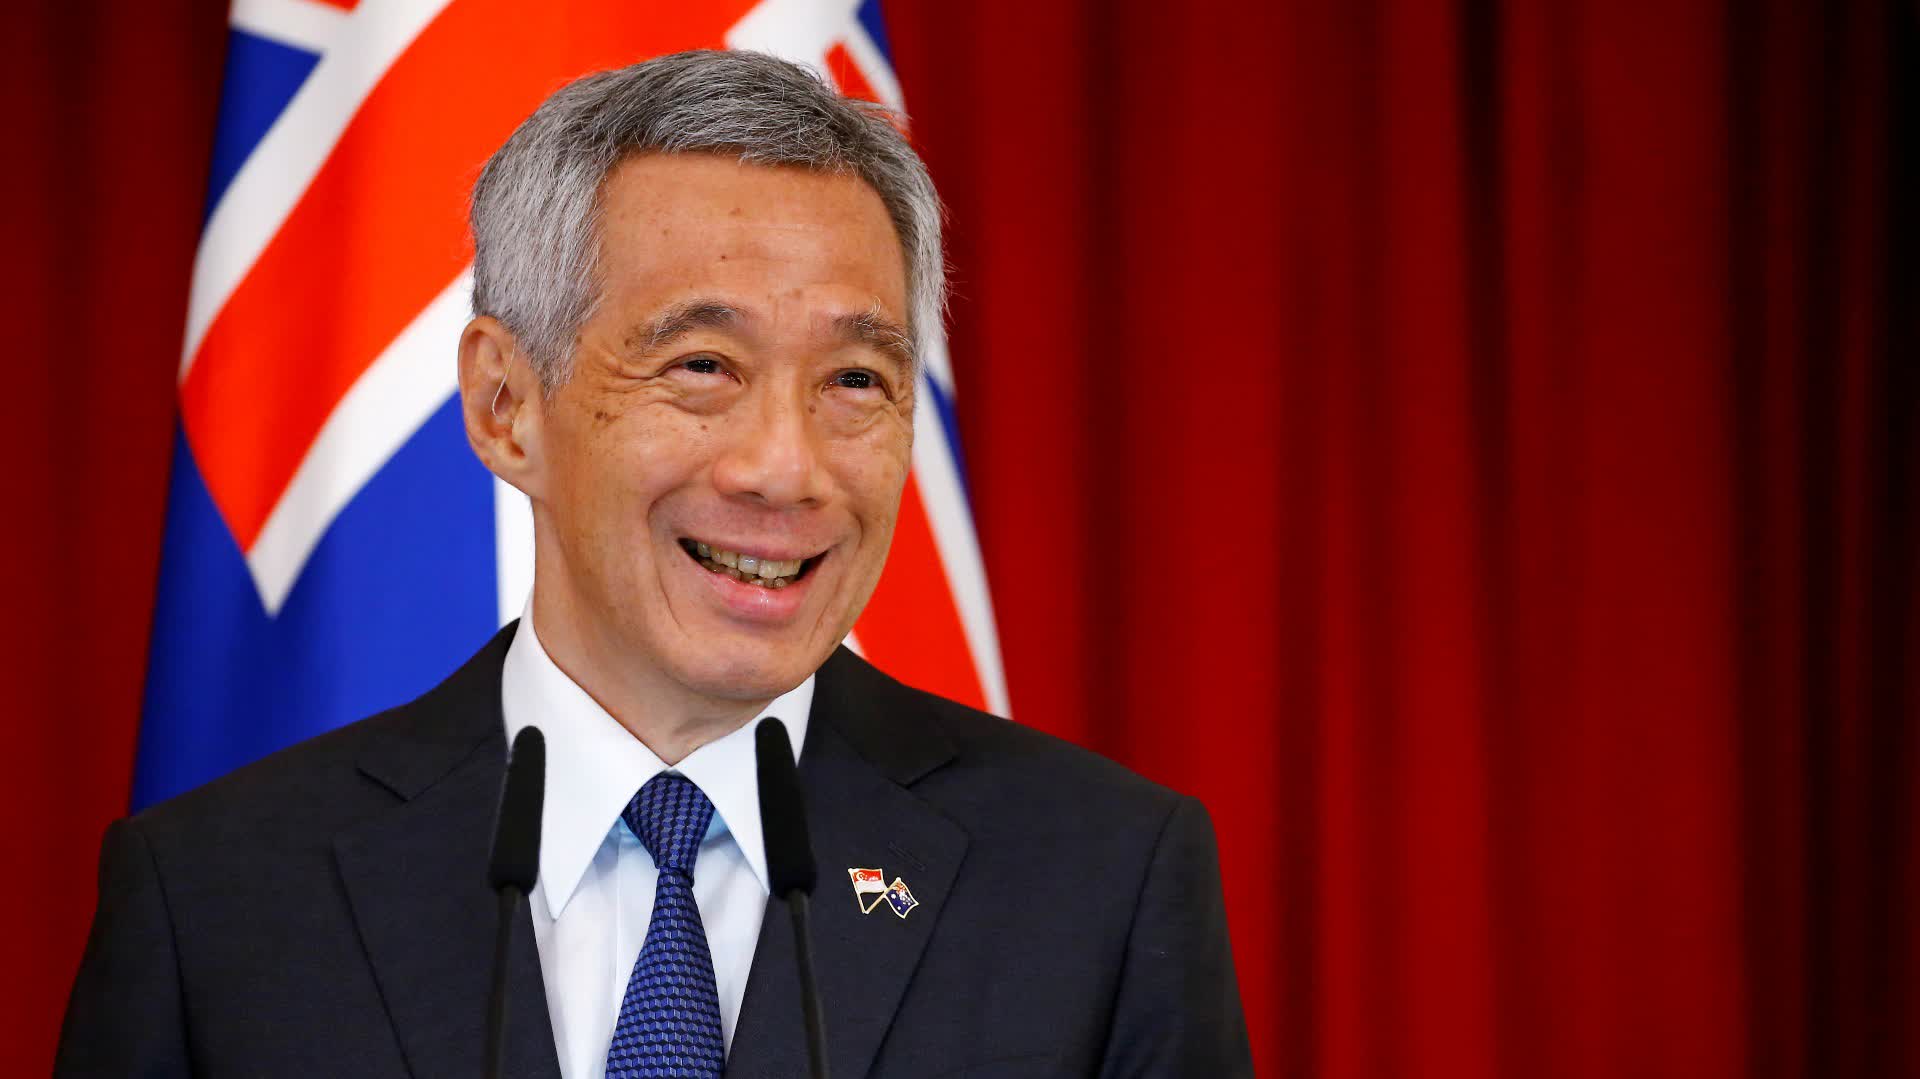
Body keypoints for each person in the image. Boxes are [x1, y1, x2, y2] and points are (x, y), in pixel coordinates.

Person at [58, 50, 1252, 1077]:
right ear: (505, 404)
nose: (786, 468)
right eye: (702, 366)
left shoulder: (1101, 881)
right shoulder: (216, 900)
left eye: (854, 380)